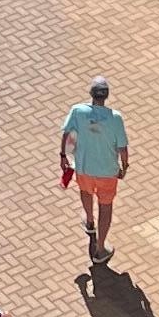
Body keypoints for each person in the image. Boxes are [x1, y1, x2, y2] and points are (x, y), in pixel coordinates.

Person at [62, 76, 130, 264]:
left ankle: (90, 222)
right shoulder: (115, 118)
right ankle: (100, 249)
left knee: (85, 192)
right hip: (108, 172)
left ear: (91, 94)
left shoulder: (78, 111)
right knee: (106, 206)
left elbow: (69, 135)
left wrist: (64, 157)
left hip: (84, 168)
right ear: (106, 96)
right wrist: (124, 166)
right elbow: (123, 148)